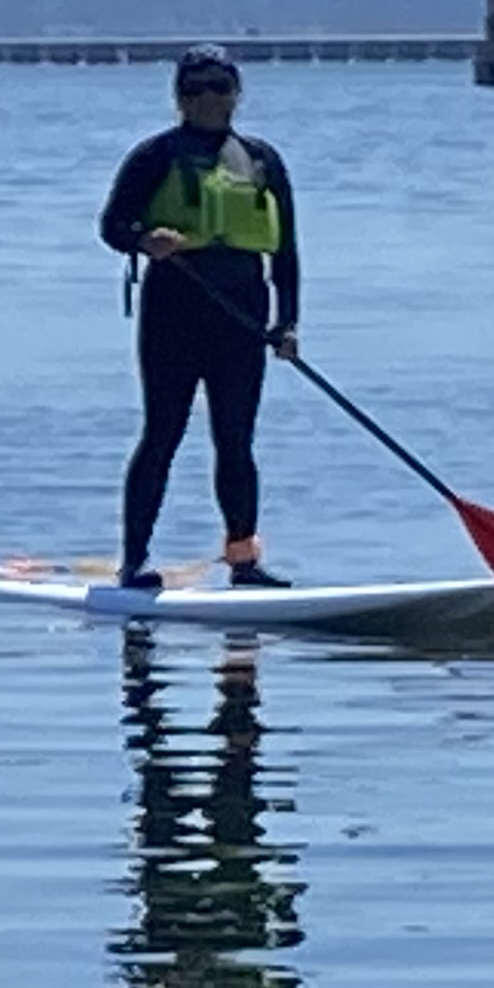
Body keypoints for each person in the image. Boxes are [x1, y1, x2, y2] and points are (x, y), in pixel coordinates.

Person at [94, 45, 301, 589]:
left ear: (236, 92)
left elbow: (286, 253)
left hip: (243, 315)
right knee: (162, 433)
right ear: (179, 97)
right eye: (195, 89)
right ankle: (134, 562)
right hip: (174, 312)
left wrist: (288, 324)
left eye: (219, 86)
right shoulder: (154, 156)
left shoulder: (261, 159)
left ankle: (244, 561)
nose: (208, 98)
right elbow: (112, 226)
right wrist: (144, 239)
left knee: (236, 440)